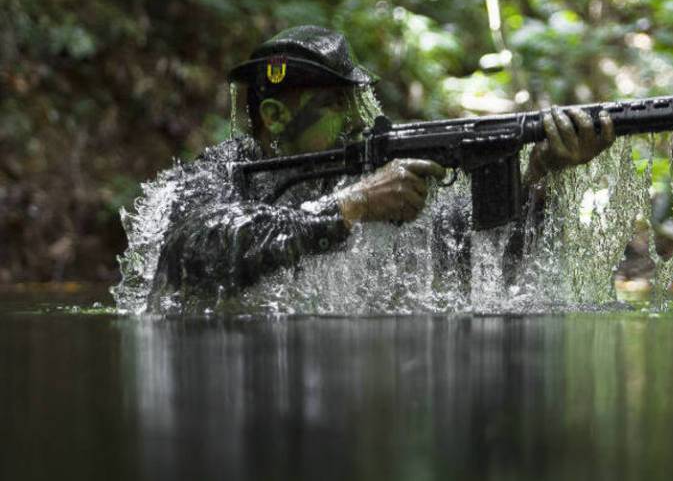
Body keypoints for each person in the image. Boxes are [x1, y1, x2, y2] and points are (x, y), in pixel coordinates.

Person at [119, 25, 614, 311]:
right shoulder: (219, 174)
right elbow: (196, 247)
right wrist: (350, 206)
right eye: (338, 105)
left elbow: (471, 257)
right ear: (274, 117)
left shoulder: (353, 177)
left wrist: (540, 179)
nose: (361, 120)